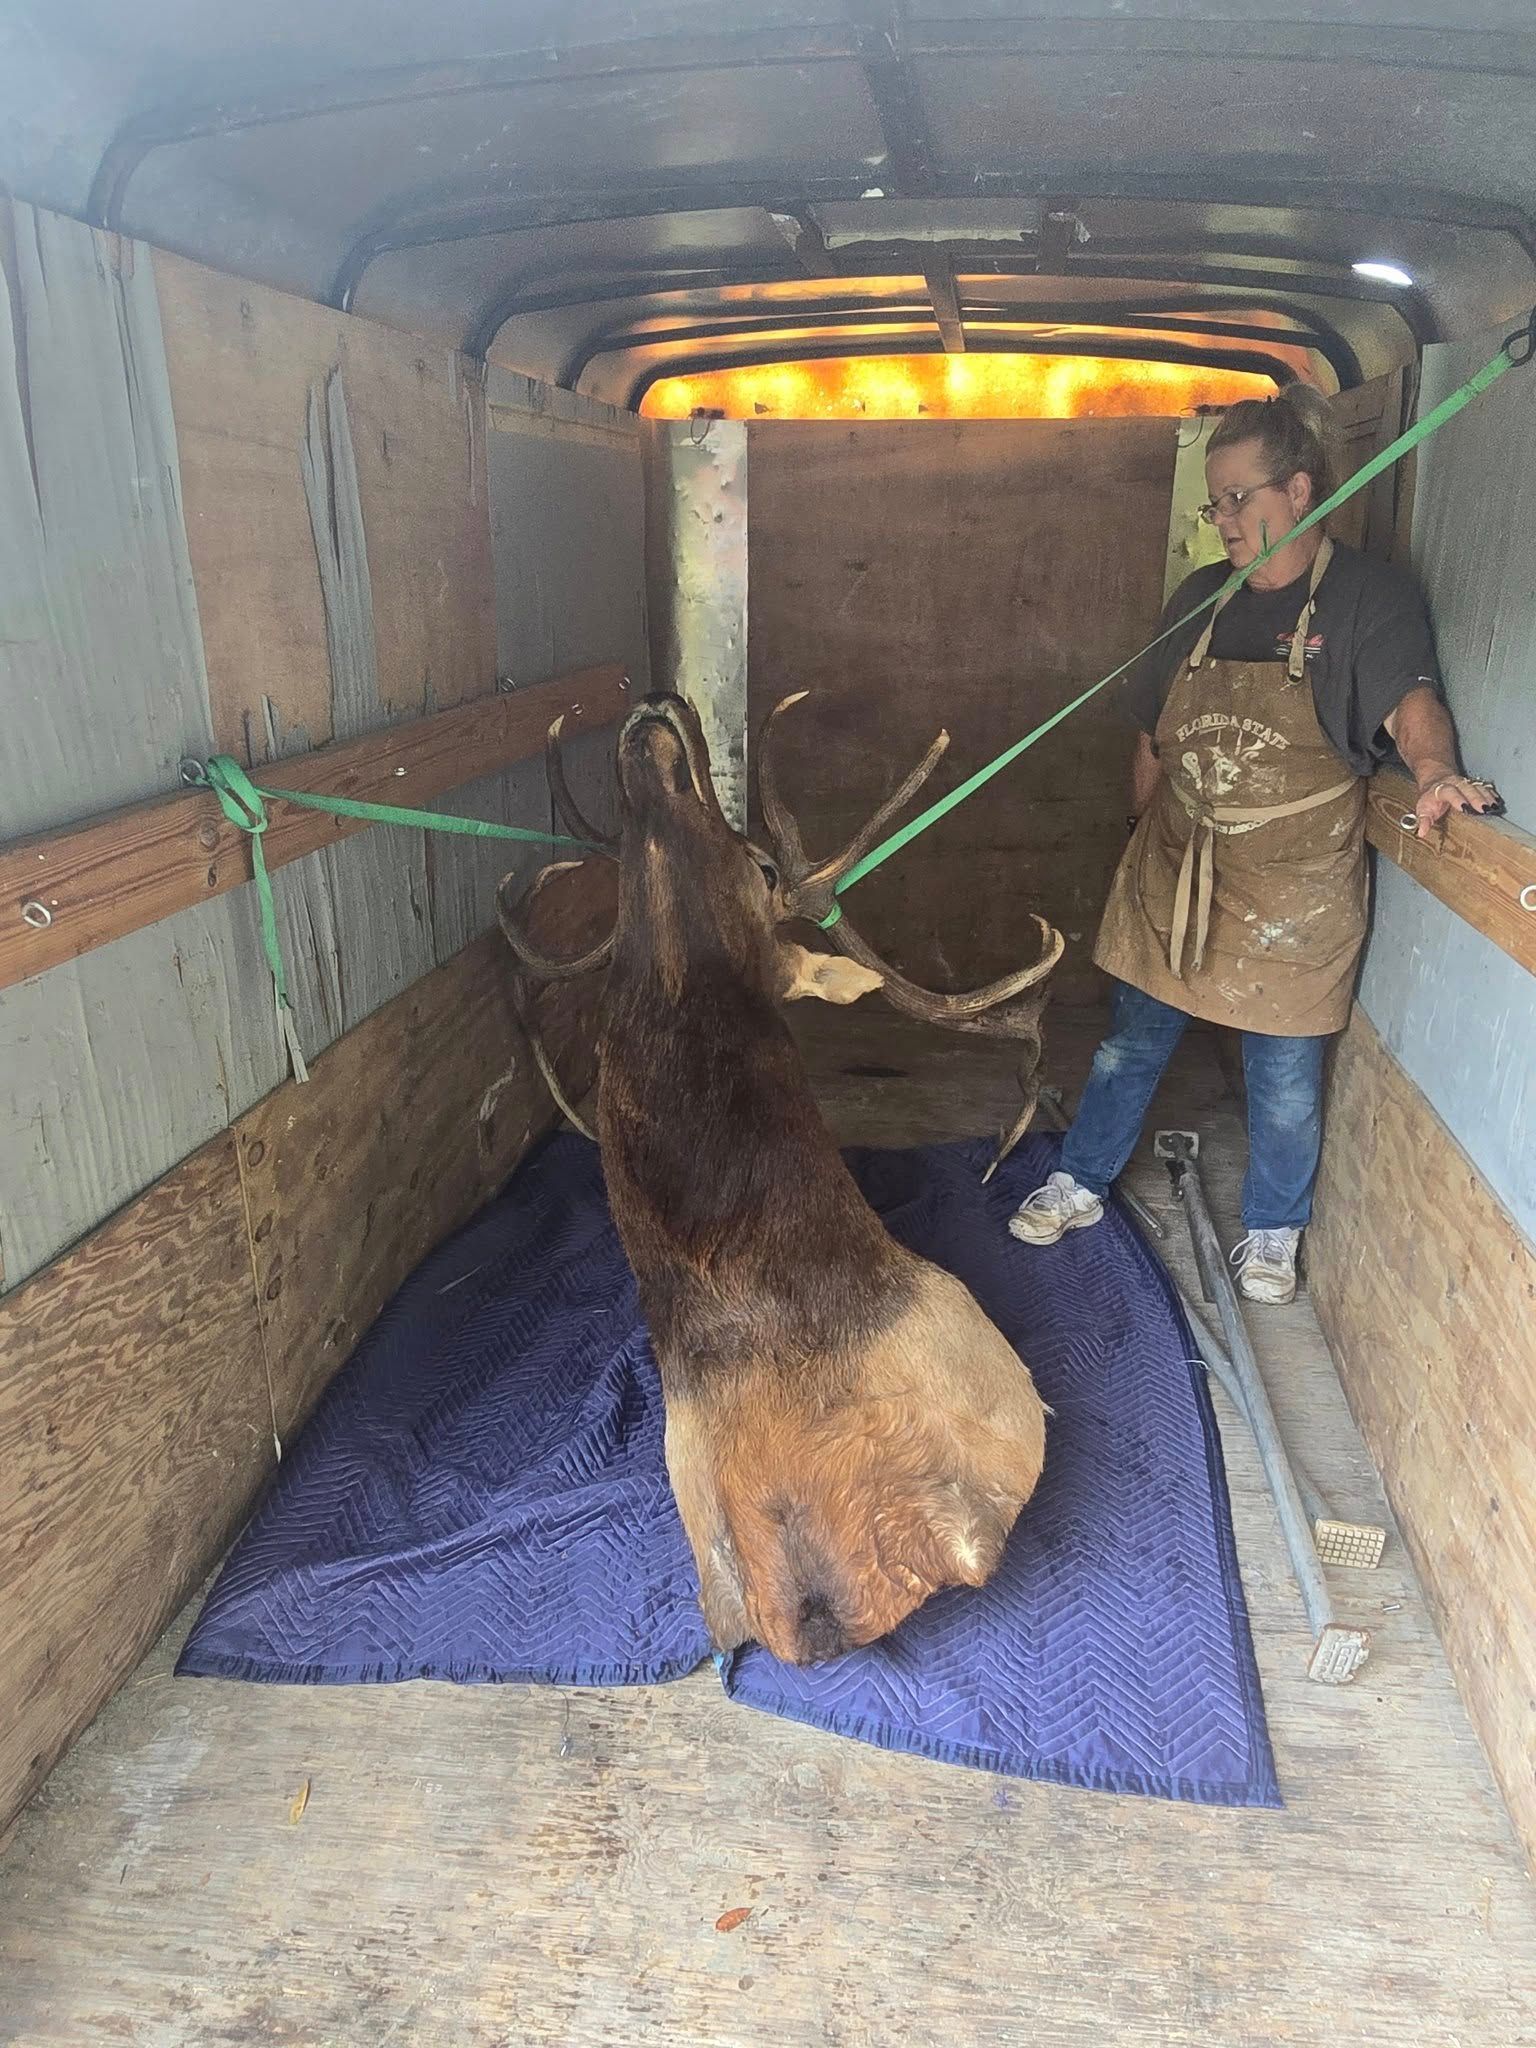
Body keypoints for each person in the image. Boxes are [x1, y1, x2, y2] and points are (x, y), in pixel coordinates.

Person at [1008, 384, 1500, 1303]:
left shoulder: (1368, 598)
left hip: (1295, 880)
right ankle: (1081, 1178)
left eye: (1239, 497)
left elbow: (1412, 699)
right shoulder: (1202, 596)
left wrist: (1436, 771)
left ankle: (1273, 1228)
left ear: (1299, 489)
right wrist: (1137, 835)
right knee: (1128, 1043)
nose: (1225, 520)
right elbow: (1152, 733)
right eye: (1215, 502)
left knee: (1284, 1072)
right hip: (1177, 857)